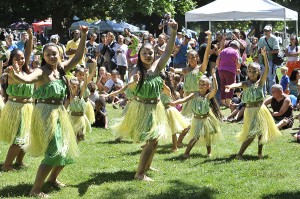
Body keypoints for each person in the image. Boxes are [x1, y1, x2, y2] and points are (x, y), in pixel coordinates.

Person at [5, 26, 88, 197]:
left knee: (64, 148)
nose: (52, 56)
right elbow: (27, 79)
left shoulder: (62, 69)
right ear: (43, 56)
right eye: (48, 54)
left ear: (59, 54)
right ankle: (35, 190)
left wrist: (85, 35)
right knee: (54, 150)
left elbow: (79, 56)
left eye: (54, 53)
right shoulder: (41, 71)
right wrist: (14, 75)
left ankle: (52, 179)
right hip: (45, 114)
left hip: (60, 113)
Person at [112, 21, 178, 181]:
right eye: (145, 53)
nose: (148, 56)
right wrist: (134, 82)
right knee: (152, 140)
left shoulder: (156, 67)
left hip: (156, 108)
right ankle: (139, 173)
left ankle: (146, 166)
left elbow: (168, 51)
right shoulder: (136, 70)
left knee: (154, 141)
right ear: (139, 56)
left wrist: (174, 32)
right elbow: (131, 87)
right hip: (142, 108)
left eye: (150, 53)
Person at [225, 47, 281, 160]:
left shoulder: (260, 83)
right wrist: (231, 86)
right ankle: (239, 154)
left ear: (258, 72)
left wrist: (265, 56)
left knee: (261, 132)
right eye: (250, 71)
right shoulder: (246, 83)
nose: (252, 73)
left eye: (254, 71)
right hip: (250, 111)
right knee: (251, 134)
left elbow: (267, 69)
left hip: (260, 109)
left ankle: (259, 153)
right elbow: (238, 84)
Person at [0, 29, 33, 172]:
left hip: (28, 107)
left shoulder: (27, 71)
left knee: (27, 136)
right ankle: (7, 165)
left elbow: (28, 53)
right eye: (16, 58)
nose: (20, 60)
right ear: (11, 60)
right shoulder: (10, 72)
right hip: (16, 107)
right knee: (19, 137)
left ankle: (19, 161)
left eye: (21, 58)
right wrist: (11, 70)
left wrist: (30, 38)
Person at [170, 69, 220, 158]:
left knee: (207, 136)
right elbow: (184, 99)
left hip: (205, 119)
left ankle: (209, 152)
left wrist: (214, 77)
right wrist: (175, 102)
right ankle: (186, 152)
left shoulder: (207, 96)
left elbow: (216, 89)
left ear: (208, 86)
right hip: (196, 119)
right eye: (200, 84)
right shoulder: (194, 94)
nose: (201, 86)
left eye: (204, 84)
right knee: (195, 136)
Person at [160, 72, 189, 152]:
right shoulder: (159, 89)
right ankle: (148, 144)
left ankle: (175, 147)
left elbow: (164, 86)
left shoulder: (167, 89)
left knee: (173, 130)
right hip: (161, 110)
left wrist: (160, 80)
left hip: (168, 110)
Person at [216, 40, 241, 107]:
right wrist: (237, 69)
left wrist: (218, 67)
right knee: (231, 86)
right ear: (237, 47)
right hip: (230, 71)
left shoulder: (223, 50)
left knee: (223, 85)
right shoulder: (235, 52)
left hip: (221, 70)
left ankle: (223, 101)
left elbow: (218, 59)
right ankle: (228, 103)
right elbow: (237, 62)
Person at [68, 74, 91, 142]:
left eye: (75, 87)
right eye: (72, 87)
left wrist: (86, 75)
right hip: (73, 117)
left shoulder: (80, 95)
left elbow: (84, 85)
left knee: (81, 136)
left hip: (80, 118)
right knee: (73, 135)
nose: (74, 88)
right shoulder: (70, 96)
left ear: (78, 87)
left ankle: (79, 137)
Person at [258, 25, 280, 94]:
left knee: (271, 78)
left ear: (271, 31)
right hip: (262, 60)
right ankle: (262, 94)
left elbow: (277, 50)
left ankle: (273, 94)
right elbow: (259, 49)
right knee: (262, 78)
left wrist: (267, 52)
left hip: (271, 60)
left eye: (267, 31)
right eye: (265, 30)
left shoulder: (274, 38)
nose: (266, 32)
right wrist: (260, 51)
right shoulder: (261, 39)